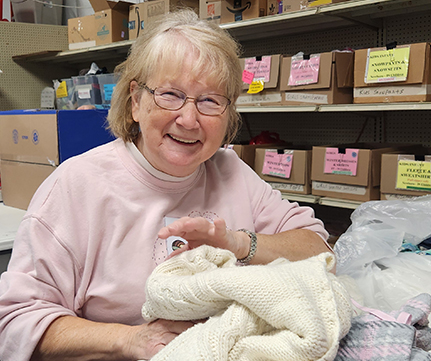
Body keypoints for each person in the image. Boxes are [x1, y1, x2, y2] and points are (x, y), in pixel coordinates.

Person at [0, 9, 333, 361]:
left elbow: (319, 253)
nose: (189, 119)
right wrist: (130, 340)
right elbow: (15, 322)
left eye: (210, 101)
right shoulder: (76, 186)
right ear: (135, 103)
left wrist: (239, 243)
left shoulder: (232, 171)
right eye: (170, 95)